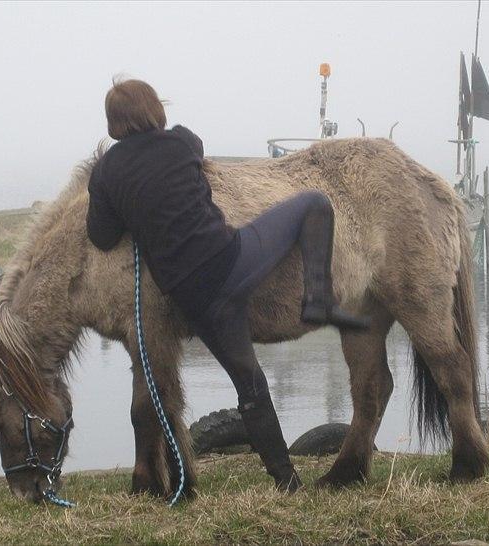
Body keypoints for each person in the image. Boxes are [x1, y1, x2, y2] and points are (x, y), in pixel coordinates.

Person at [87, 78, 369, 492]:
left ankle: (287, 479)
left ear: (113, 123)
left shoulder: (106, 172)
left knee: (249, 384)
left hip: (192, 302)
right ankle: (318, 300)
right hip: (233, 263)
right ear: (153, 111)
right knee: (314, 204)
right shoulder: (179, 143)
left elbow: (101, 235)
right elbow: (196, 145)